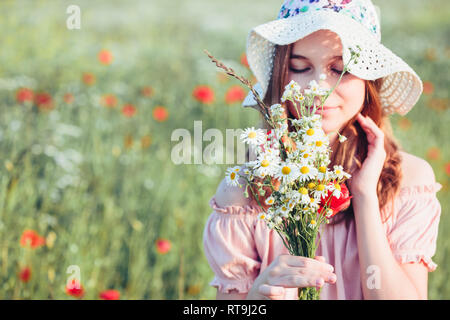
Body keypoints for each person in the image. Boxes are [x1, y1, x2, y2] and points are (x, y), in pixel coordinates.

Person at [202, 0, 442, 300]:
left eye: (340, 69)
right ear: (280, 76)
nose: (319, 85)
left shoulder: (407, 181)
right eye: (299, 67)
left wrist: (365, 197)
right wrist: (259, 296)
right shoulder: (246, 191)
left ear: (369, 80)